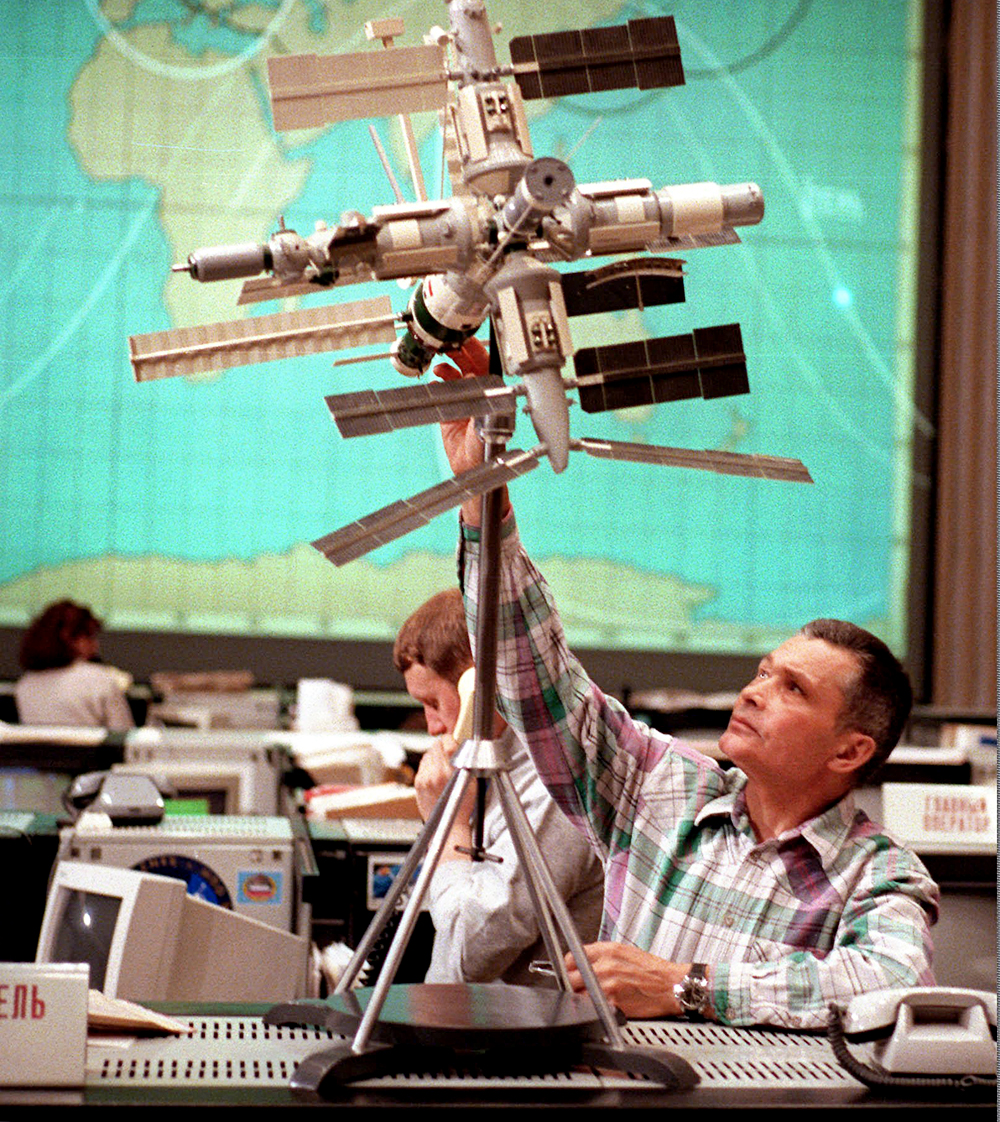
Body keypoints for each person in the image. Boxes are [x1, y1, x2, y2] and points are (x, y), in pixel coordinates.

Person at [434, 337, 939, 1029]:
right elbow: (537, 679)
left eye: (793, 688)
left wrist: (687, 987)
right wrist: (481, 496)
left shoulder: (876, 872)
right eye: (763, 672)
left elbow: (891, 982)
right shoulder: (663, 788)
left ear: (850, 751)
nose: (754, 691)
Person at [393, 587, 605, 987]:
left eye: (434, 703)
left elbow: (468, 957)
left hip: (518, 1040)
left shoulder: (554, 783)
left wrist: (449, 826)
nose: (433, 726)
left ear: (481, 685)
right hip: (467, 1027)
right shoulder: (495, 766)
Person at [14, 600, 134, 729]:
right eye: (89, 636)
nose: (95, 645)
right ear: (67, 637)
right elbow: (124, 736)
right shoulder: (100, 679)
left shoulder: (24, 685)